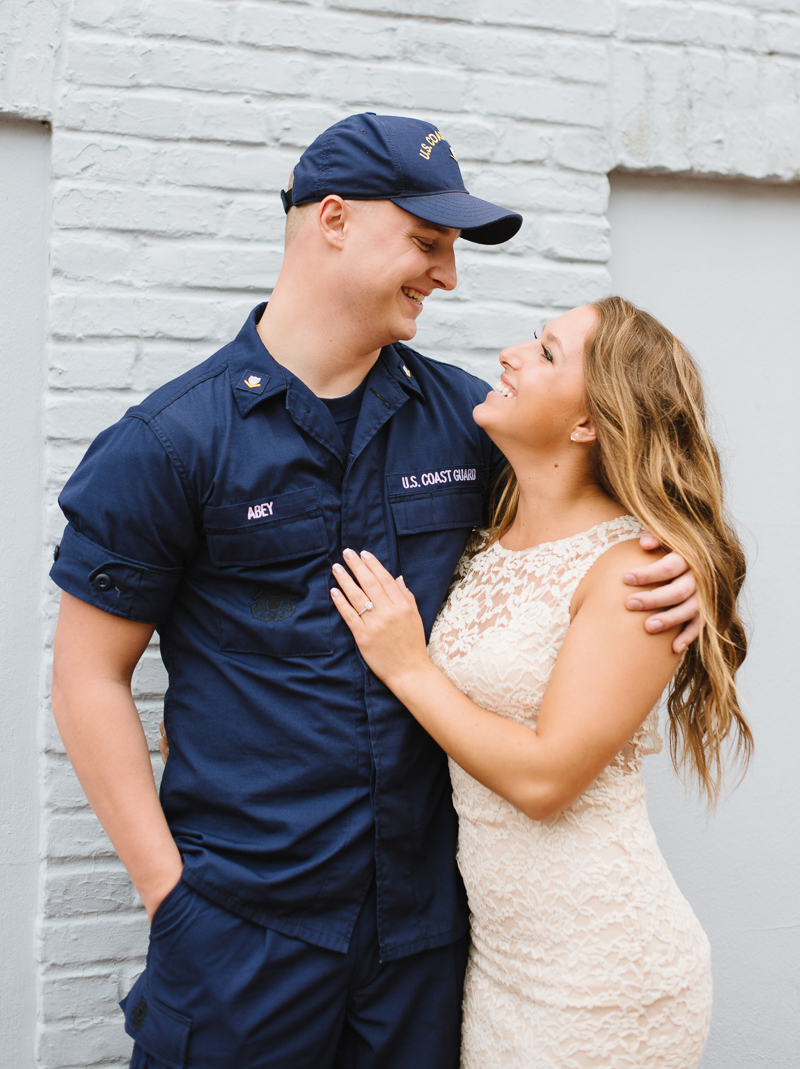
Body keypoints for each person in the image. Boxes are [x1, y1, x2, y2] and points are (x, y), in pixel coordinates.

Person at [49, 114, 701, 1069]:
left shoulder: (470, 423)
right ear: (335, 221)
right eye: (427, 242)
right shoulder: (169, 445)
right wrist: (168, 893)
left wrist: (682, 566)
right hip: (245, 929)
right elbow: (87, 679)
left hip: (424, 940)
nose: (447, 274)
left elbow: (604, 499)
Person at [331, 297, 752, 1069]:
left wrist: (408, 666)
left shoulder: (635, 573)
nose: (513, 356)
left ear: (589, 422)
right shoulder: (490, 529)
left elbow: (547, 778)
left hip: (605, 979)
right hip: (502, 971)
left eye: (547, 353)